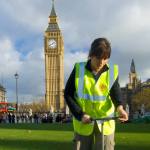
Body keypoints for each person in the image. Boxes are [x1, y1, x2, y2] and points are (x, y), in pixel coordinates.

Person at [64, 38, 128, 150]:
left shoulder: (112, 71)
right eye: (98, 58)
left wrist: (120, 108)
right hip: (83, 121)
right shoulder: (79, 69)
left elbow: (116, 92)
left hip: (106, 122)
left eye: (105, 58)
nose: (101, 62)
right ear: (91, 55)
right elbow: (68, 94)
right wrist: (80, 114)